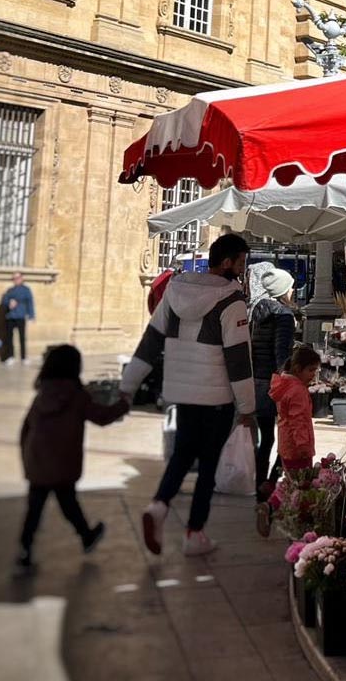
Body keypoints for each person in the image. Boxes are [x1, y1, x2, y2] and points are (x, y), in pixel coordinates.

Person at [120, 232, 257, 557]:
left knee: (183, 453)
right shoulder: (231, 300)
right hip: (217, 398)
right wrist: (248, 407)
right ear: (226, 262)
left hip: (182, 393)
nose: (241, 269)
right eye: (240, 262)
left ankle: (158, 506)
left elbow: (151, 340)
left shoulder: (175, 290)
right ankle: (194, 533)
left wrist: (128, 385)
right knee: (208, 465)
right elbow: (238, 359)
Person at [16, 344, 129, 576]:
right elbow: (102, 417)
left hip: (38, 462)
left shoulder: (42, 395)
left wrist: (28, 459)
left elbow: (25, 430)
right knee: (68, 502)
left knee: (35, 509)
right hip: (63, 463)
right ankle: (86, 536)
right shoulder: (77, 396)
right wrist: (124, 404)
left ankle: (24, 550)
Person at [248, 262, 298, 513]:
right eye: (291, 288)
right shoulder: (284, 315)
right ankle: (270, 481)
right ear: (283, 290)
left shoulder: (257, 312)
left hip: (257, 382)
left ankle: (259, 488)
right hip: (275, 383)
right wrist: (288, 378)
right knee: (287, 439)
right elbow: (281, 354)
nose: (293, 292)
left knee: (265, 439)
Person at [257, 344, 321, 538]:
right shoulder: (298, 391)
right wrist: (303, 446)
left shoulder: (284, 386)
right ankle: (291, 518)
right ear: (298, 369)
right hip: (297, 447)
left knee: (291, 482)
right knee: (301, 486)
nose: (313, 375)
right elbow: (299, 421)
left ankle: (270, 507)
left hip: (286, 445)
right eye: (311, 370)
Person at [1, 273, 35, 364]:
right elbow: (4, 301)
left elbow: (30, 302)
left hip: (21, 316)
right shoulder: (10, 290)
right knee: (9, 337)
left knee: (22, 337)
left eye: (17, 278)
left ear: (22, 279)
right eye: (14, 278)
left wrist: (31, 315)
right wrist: (9, 302)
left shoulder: (26, 290)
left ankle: (24, 357)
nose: (15, 280)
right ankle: (10, 356)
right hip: (10, 316)